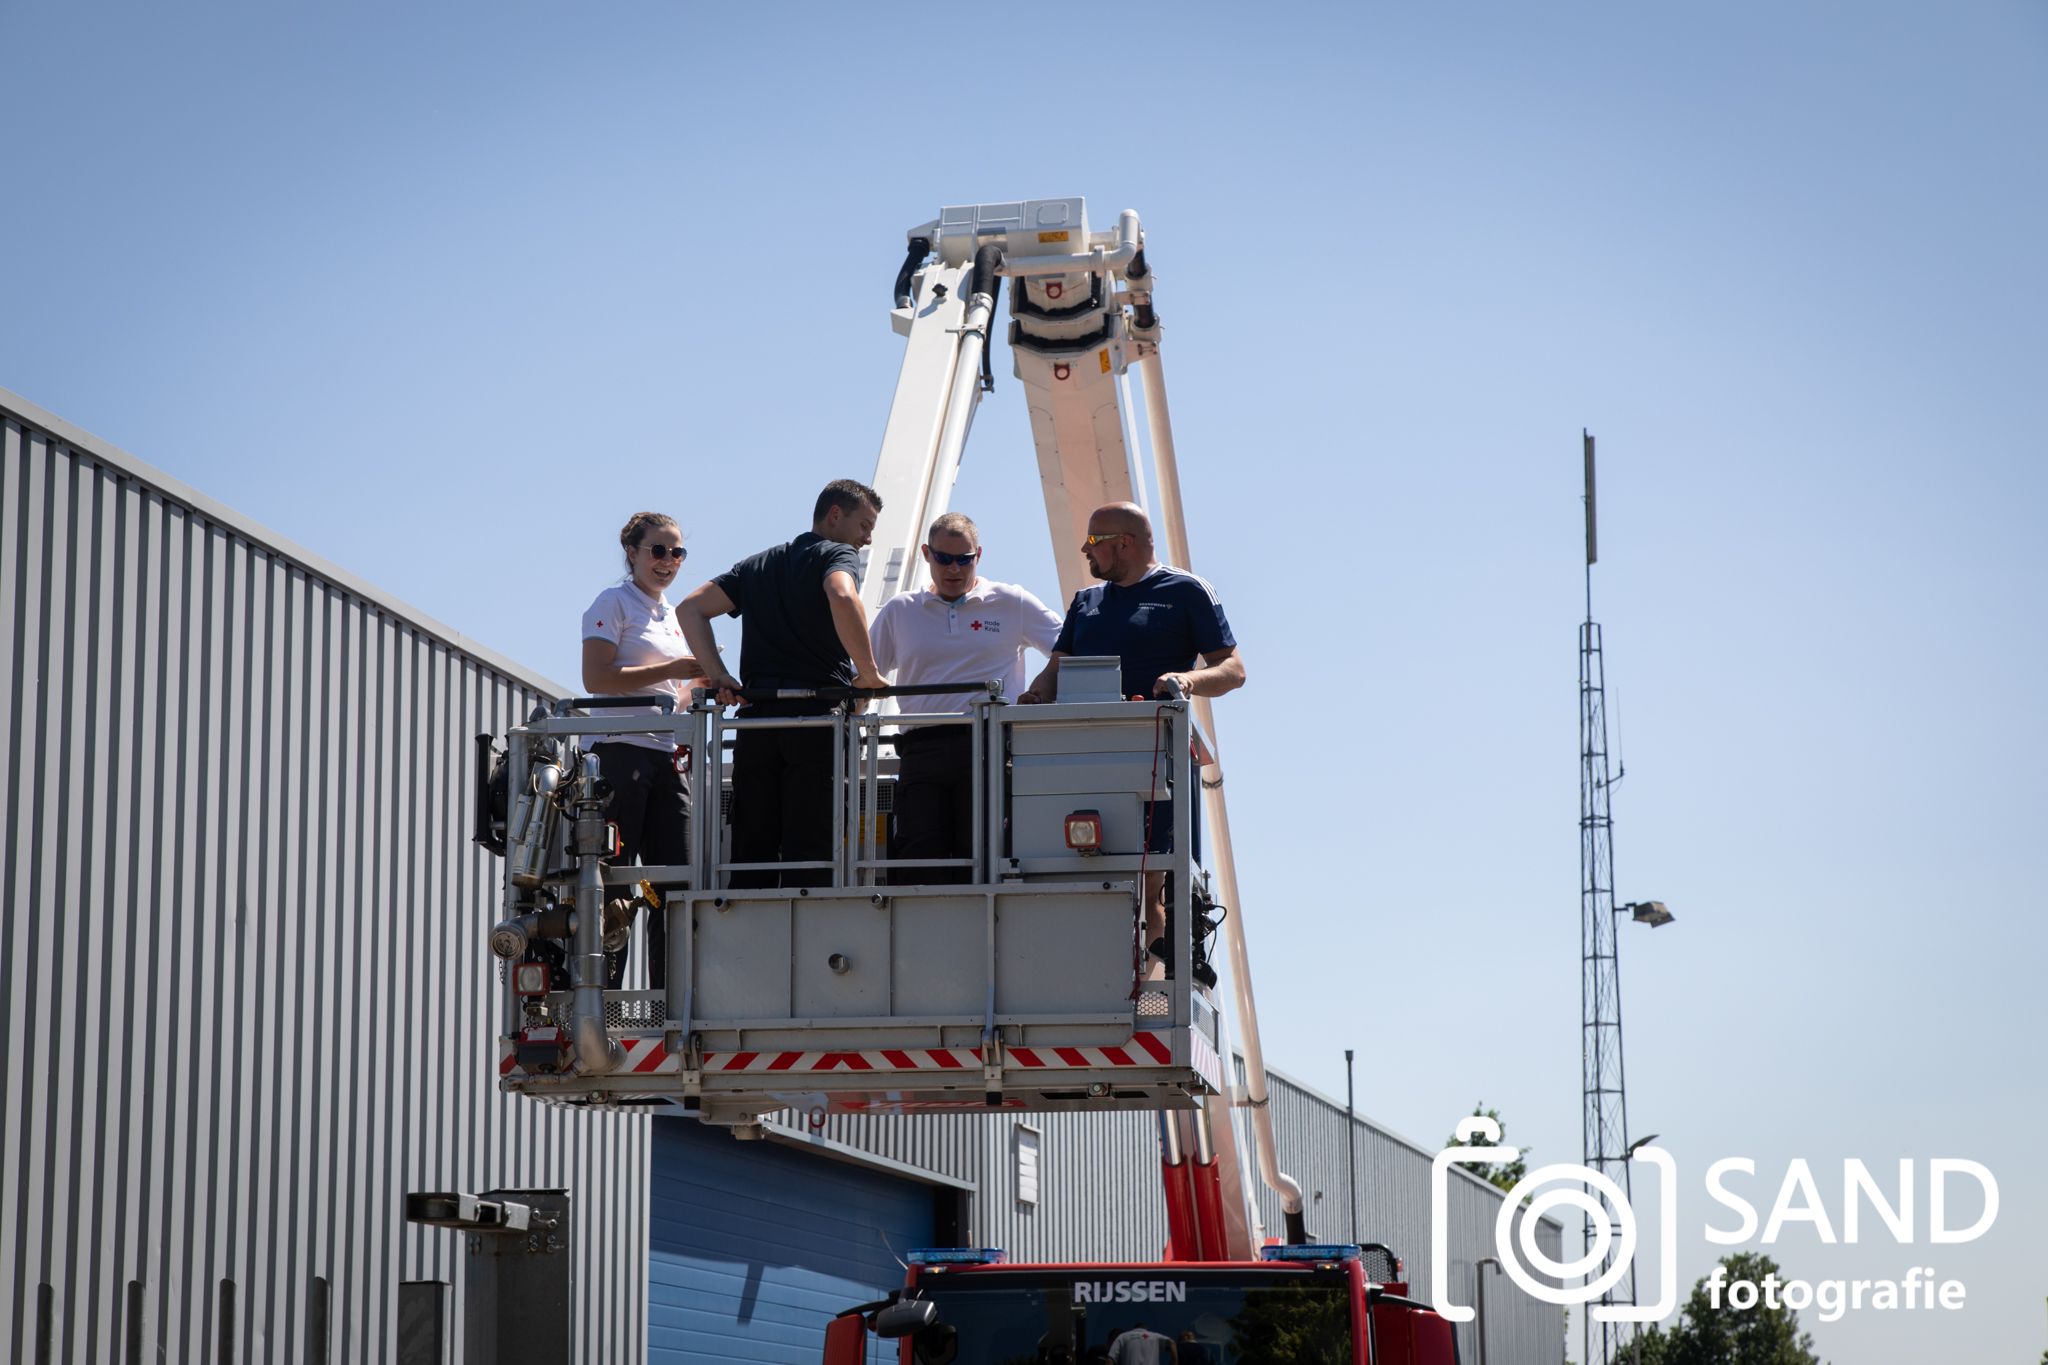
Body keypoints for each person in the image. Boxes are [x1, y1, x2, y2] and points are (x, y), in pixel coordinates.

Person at [1018, 502, 1245, 964]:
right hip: (1084, 753)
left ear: (1125, 543)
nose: (1085, 549)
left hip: (1156, 750)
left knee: (1154, 851)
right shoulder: (1087, 602)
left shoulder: (1186, 590)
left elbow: (1233, 669)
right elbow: (1056, 669)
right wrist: (1035, 695)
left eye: (1094, 541)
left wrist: (1184, 680)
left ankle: (1159, 928)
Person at [678, 479, 887, 888]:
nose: (867, 538)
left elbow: (691, 609)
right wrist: (868, 674)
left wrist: (719, 675)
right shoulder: (838, 553)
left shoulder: (759, 563)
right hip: (815, 722)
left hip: (756, 724)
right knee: (810, 853)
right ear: (834, 516)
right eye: (864, 525)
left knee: (750, 850)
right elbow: (842, 596)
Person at [869, 511, 1062, 883]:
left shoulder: (1011, 602)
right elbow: (864, 676)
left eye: (963, 559)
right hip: (920, 747)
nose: (953, 569)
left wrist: (1041, 687)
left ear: (979, 556)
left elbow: (1070, 645)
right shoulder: (900, 611)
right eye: (943, 558)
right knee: (918, 860)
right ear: (926, 554)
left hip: (989, 747)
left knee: (986, 856)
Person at [581, 511, 703, 988]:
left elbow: (680, 686)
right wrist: (673, 668)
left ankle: (669, 1001)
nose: (668, 561)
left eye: (677, 552)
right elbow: (597, 678)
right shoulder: (613, 602)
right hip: (619, 750)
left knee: (674, 879)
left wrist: (702, 684)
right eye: (658, 550)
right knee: (613, 880)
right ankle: (606, 1003)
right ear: (631, 553)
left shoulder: (675, 615)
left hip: (666, 754)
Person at [1107, 1323, 1177, 1365]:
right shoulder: (1154, 1336)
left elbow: (1110, 1359)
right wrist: (1174, 1361)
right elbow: (1172, 1343)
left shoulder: (1123, 1336)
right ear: (1146, 1329)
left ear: (1134, 1329)